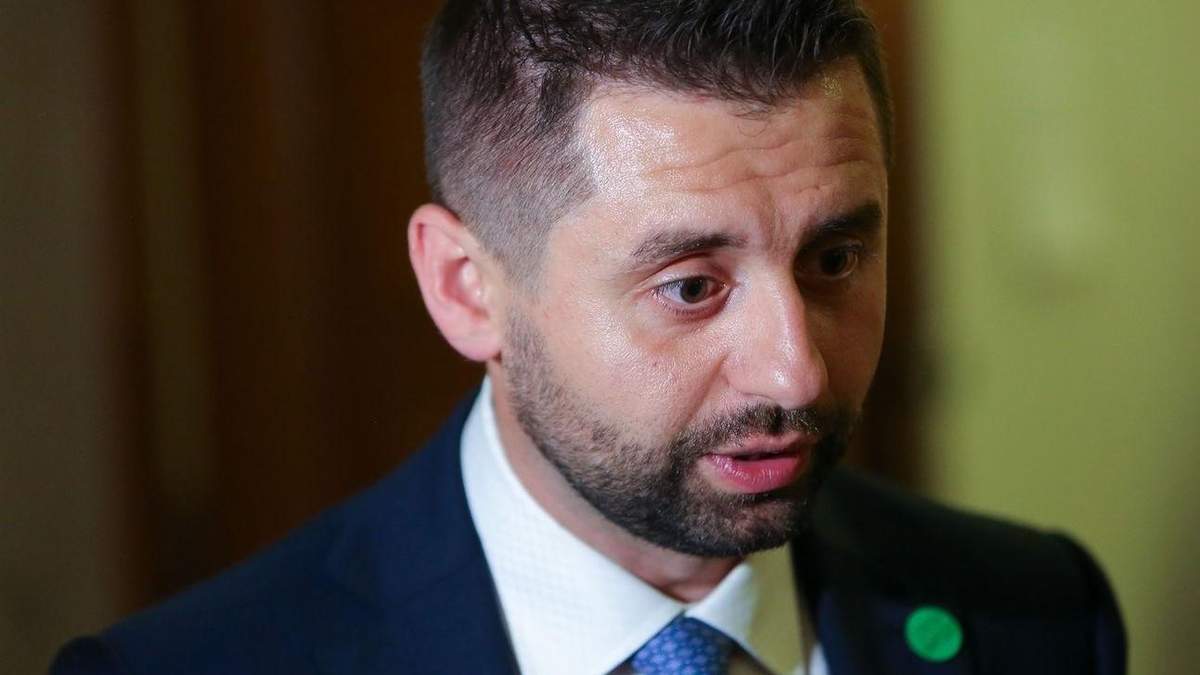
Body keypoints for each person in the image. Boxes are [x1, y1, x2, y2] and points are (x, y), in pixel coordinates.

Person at [51, 1, 1126, 673]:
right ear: (467, 289)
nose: (795, 369)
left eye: (835, 260)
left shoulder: (1037, 616)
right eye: (692, 286)